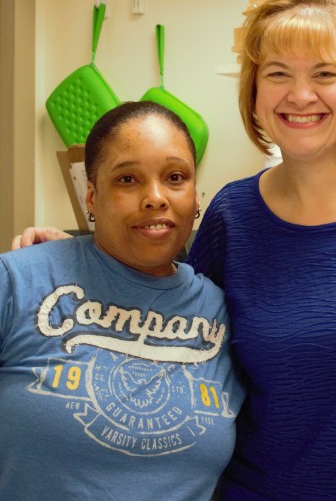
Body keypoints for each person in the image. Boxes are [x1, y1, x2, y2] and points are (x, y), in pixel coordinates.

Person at [13, 0, 336, 500]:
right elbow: (164, 314)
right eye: (278, 74)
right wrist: (68, 260)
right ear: (253, 91)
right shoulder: (232, 215)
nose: (301, 95)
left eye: (324, 73)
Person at [1, 101, 244, 500]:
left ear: (196, 196)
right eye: (128, 179)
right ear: (91, 197)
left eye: (175, 177)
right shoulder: (19, 280)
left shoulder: (226, 312)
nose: (155, 197)